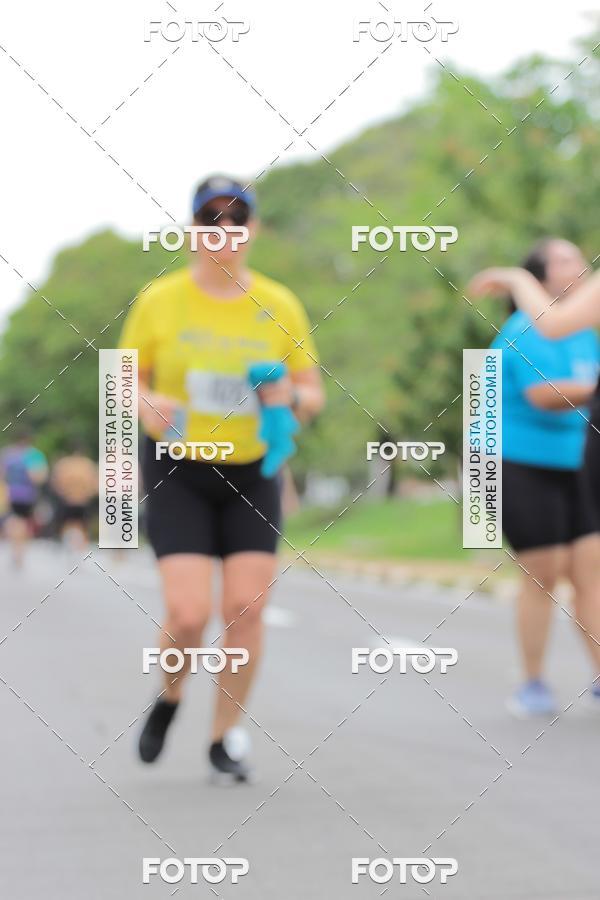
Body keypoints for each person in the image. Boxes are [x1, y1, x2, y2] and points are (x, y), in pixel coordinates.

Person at [120, 175, 325, 781]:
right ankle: (169, 698)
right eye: (212, 218)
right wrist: (142, 401)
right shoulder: (160, 301)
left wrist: (290, 398)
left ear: (252, 230)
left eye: (237, 219)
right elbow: (121, 380)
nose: (224, 230)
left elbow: (311, 393)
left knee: (245, 609)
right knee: (187, 614)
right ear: (193, 228)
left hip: (253, 471)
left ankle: (222, 736)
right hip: (179, 469)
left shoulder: (280, 304)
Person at [472, 239, 600, 714]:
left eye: (579, 257)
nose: (580, 266)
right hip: (516, 461)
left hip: (573, 461)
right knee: (542, 573)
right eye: (564, 260)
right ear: (539, 277)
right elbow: (544, 395)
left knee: (590, 572)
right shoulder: (525, 326)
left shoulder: (584, 330)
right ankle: (532, 682)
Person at [0, 431, 48, 567]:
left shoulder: (7, 454)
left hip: (10, 494)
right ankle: (19, 552)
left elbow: (2, 474)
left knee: (14, 522)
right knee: (23, 523)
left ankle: (16, 550)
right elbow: (39, 477)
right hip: (28, 495)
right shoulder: (34, 455)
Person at [50, 446, 98, 552]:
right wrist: (87, 495)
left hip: (67, 500)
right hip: (82, 501)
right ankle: (81, 550)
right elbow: (95, 485)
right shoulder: (88, 464)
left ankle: (67, 547)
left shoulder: (64, 464)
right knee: (83, 526)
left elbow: (55, 482)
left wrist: (64, 494)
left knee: (66, 524)